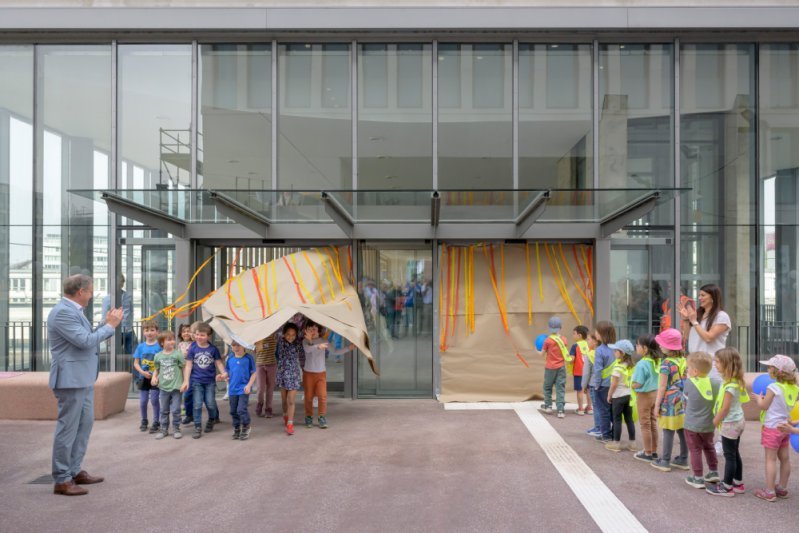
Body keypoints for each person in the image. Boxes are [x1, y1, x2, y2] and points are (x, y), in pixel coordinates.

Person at [48, 274, 123, 496]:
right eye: (90, 291)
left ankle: (74, 470)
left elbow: (86, 336)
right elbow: (85, 341)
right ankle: (62, 479)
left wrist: (104, 324)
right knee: (68, 428)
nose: (92, 295)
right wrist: (110, 326)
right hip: (70, 379)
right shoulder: (62, 312)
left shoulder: (74, 311)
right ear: (80, 292)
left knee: (84, 425)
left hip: (83, 378)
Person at [754, 354, 799, 502]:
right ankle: (782, 488)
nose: (768, 369)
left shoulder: (773, 387)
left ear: (777, 372)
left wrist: (758, 399)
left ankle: (769, 491)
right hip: (784, 428)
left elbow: (764, 406)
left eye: (769, 367)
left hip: (772, 428)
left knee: (770, 459)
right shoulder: (794, 388)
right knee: (785, 458)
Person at [706, 348, 748, 496]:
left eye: (717, 362)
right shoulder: (735, 382)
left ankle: (727, 487)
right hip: (737, 421)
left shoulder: (730, 386)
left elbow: (725, 408)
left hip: (730, 424)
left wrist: (715, 421)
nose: (715, 364)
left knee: (729, 456)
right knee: (734, 453)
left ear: (727, 364)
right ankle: (738, 483)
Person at [302, 321, 354, 429]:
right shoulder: (305, 341)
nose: (312, 331)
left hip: (321, 373)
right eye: (310, 329)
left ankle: (321, 417)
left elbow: (335, 351)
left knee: (322, 396)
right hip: (308, 373)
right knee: (308, 397)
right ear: (306, 331)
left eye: (314, 329)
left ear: (319, 330)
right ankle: (308, 416)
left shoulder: (324, 341)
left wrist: (349, 348)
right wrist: (316, 344)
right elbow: (308, 350)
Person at [682, 351, 721, 490]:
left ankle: (697, 477)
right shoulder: (716, 383)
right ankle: (713, 471)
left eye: (688, 368)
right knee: (709, 446)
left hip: (692, 424)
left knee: (695, 450)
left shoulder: (689, 383)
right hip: (709, 424)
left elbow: (685, 400)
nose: (687, 370)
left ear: (695, 371)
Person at [651, 328, 689, 472]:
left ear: (670, 347)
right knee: (681, 429)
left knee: (668, 430)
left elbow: (662, 386)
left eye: (662, 344)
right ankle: (683, 459)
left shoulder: (666, 363)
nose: (660, 345)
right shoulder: (683, 360)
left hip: (669, 400)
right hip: (682, 399)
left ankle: (665, 460)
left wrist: (656, 406)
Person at [679, 283, 731, 380]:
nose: (699, 298)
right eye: (699, 295)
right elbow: (686, 336)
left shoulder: (722, 316)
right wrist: (686, 320)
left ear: (713, 297)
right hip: (694, 364)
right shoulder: (698, 314)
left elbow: (708, 337)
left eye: (703, 295)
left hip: (711, 365)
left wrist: (694, 321)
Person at [183, 322, 225, 439]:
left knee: (211, 403)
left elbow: (218, 363)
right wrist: (186, 381)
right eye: (197, 334)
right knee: (197, 404)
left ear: (208, 336)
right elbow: (188, 366)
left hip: (210, 382)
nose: (199, 337)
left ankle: (212, 419)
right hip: (196, 381)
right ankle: (197, 427)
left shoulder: (213, 349)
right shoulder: (192, 348)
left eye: (202, 335)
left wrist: (224, 373)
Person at [151, 330, 187, 440]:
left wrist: (185, 382)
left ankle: (176, 429)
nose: (172, 341)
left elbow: (184, 368)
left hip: (176, 387)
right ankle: (163, 429)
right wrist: (154, 377)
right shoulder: (158, 356)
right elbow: (157, 369)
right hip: (163, 387)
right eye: (169, 340)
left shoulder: (178, 354)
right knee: (163, 410)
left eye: (173, 339)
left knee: (176, 410)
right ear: (162, 343)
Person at [632, 334, 661, 462]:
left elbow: (638, 383)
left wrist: (632, 385)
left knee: (645, 424)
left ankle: (647, 452)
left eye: (638, 345)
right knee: (653, 423)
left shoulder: (642, 363)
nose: (636, 347)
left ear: (645, 348)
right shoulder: (657, 361)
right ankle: (653, 451)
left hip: (644, 395)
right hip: (655, 393)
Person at [605, 339, 637, 453]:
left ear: (622, 353)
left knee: (617, 419)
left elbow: (614, 384)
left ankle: (616, 443)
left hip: (618, 396)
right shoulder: (631, 366)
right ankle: (632, 443)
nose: (614, 352)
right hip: (629, 395)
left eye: (616, 350)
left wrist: (609, 395)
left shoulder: (618, 367)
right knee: (629, 419)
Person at [224, 341, 257, 441]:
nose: (236, 347)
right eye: (233, 345)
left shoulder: (248, 358)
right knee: (233, 411)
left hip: (243, 389)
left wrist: (249, 385)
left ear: (244, 346)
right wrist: (222, 376)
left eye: (238, 345)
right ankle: (237, 428)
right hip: (232, 389)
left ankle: (246, 426)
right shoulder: (230, 358)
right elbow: (227, 371)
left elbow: (254, 373)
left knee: (241, 409)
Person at [132, 320, 162, 434]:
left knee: (154, 400)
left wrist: (156, 374)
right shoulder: (140, 347)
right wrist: (142, 372)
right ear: (143, 332)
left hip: (156, 377)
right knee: (143, 401)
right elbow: (136, 363)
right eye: (147, 330)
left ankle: (156, 421)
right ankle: (144, 420)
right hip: (143, 377)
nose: (149, 333)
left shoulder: (160, 346)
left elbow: (162, 361)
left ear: (157, 332)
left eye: (152, 330)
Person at [538, 316, 570, 418]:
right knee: (560, 388)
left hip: (550, 368)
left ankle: (548, 406)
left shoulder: (547, 340)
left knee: (547, 387)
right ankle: (560, 410)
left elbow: (541, 354)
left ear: (549, 328)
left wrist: (536, 349)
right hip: (561, 367)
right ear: (561, 327)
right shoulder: (564, 340)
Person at [276, 322, 303, 436]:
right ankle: (285, 414)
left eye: (293, 335)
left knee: (291, 400)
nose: (290, 337)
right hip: (282, 373)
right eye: (288, 334)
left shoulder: (299, 342)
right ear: (284, 334)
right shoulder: (280, 341)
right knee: (284, 400)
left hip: (293, 374)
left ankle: (290, 424)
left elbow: (304, 352)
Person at [592, 321, 617, 442]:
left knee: (603, 411)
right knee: (614, 411)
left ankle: (605, 435)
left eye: (597, 331)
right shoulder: (617, 349)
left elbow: (598, 370)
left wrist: (596, 385)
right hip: (615, 385)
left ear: (602, 334)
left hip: (603, 385)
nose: (595, 333)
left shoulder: (600, 350)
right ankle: (614, 434)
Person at [101, 273, 135, 355]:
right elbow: (104, 317)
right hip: (115, 331)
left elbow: (131, 312)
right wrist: (106, 334)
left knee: (131, 354)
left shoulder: (128, 296)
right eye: (119, 282)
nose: (120, 284)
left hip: (128, 330)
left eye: (122, 282)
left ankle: (129, 364)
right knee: (115, 355)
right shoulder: (107, 299)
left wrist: (130, 325)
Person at [254, 333, 278, 418]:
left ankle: (268, 408)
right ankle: (260, 403)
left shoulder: (274, 334)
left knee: (270, 388)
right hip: (260, 364)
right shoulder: (256, 336)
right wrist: (256, 345)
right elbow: (254, 350)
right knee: (260, 388)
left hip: (271, 364)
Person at [179, 322, 199, 425]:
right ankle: (189, 414)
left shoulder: (195, 343)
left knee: (202, 396)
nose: (186, 333)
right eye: (184, 331)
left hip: (195, 372)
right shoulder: (180, 345)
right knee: (187, 395)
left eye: (188, 331)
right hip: (184, 372)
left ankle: (214, 415)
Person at [583, 332, 600, 436]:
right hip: (605, 384)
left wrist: (584, 385)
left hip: (593, 384)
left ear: (595, 341)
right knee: (602, 407)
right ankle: (601, 427)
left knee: (596, 407)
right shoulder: (606, 352)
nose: (587, 341)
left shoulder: (590, 354)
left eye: (588, 339)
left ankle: (598, 427)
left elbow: (586, 373)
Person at [571, 325, 591, 416]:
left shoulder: (575, 346)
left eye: (574, 334)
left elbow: (572, 359)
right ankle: (589, 408)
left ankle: (580, 409)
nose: (573, 335)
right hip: (589, 372)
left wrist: (567, 358)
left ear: (579, 335)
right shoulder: (589, 345)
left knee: (580, 391)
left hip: (579, 372)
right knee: (589, 390)